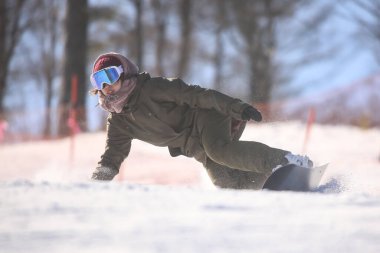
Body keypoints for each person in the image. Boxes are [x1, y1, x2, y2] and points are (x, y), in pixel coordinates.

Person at [90, 52, 313, 189]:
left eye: (109, 75)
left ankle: (287, 161)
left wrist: (237, 107)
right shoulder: (118, 121)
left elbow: (197, 95)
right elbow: (112, 157)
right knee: (228, 184)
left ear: (125, 72)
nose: (105, 85)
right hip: (197, 147)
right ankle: (273, 183)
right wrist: (95, 186)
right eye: (98, 80)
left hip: (207, 116)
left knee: (220, 150)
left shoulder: (152, 88)